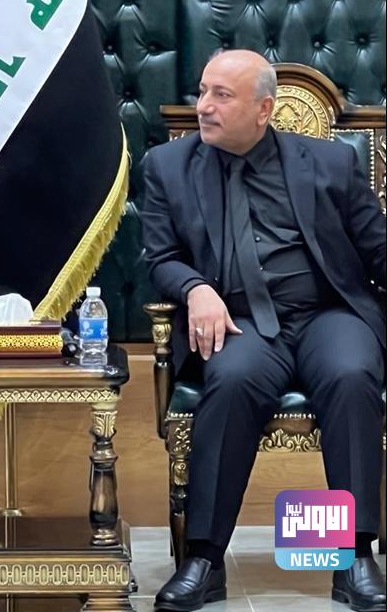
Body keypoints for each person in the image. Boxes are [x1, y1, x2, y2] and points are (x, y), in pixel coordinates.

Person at [142, 49, 386, 612]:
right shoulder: (167, 167)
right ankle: (205, 560)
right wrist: (195, 288)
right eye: (203, 91)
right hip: (240, 321)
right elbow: (160, 257)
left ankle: (352, 557)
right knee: (230, 383)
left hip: (328, 314)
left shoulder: (330, 163)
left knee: (351, 376)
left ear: (263, 109)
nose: (203, 106)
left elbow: (377, 249)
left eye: (221, 95)